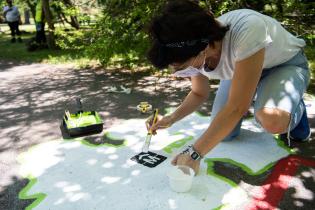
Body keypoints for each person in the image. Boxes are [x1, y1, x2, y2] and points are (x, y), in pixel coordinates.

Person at [146, 0, 310, 173]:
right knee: (225, 133)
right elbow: (199, 92)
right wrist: (171, 118)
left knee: (271, 120)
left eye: (184, 66)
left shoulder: (248, 29)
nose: (183, 72)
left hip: (283, 64)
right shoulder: (189, 46)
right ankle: (264, 94)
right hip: (239, 69)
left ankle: (294, 108)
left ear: (206, 48)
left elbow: (237, 107)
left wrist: (194, 153)